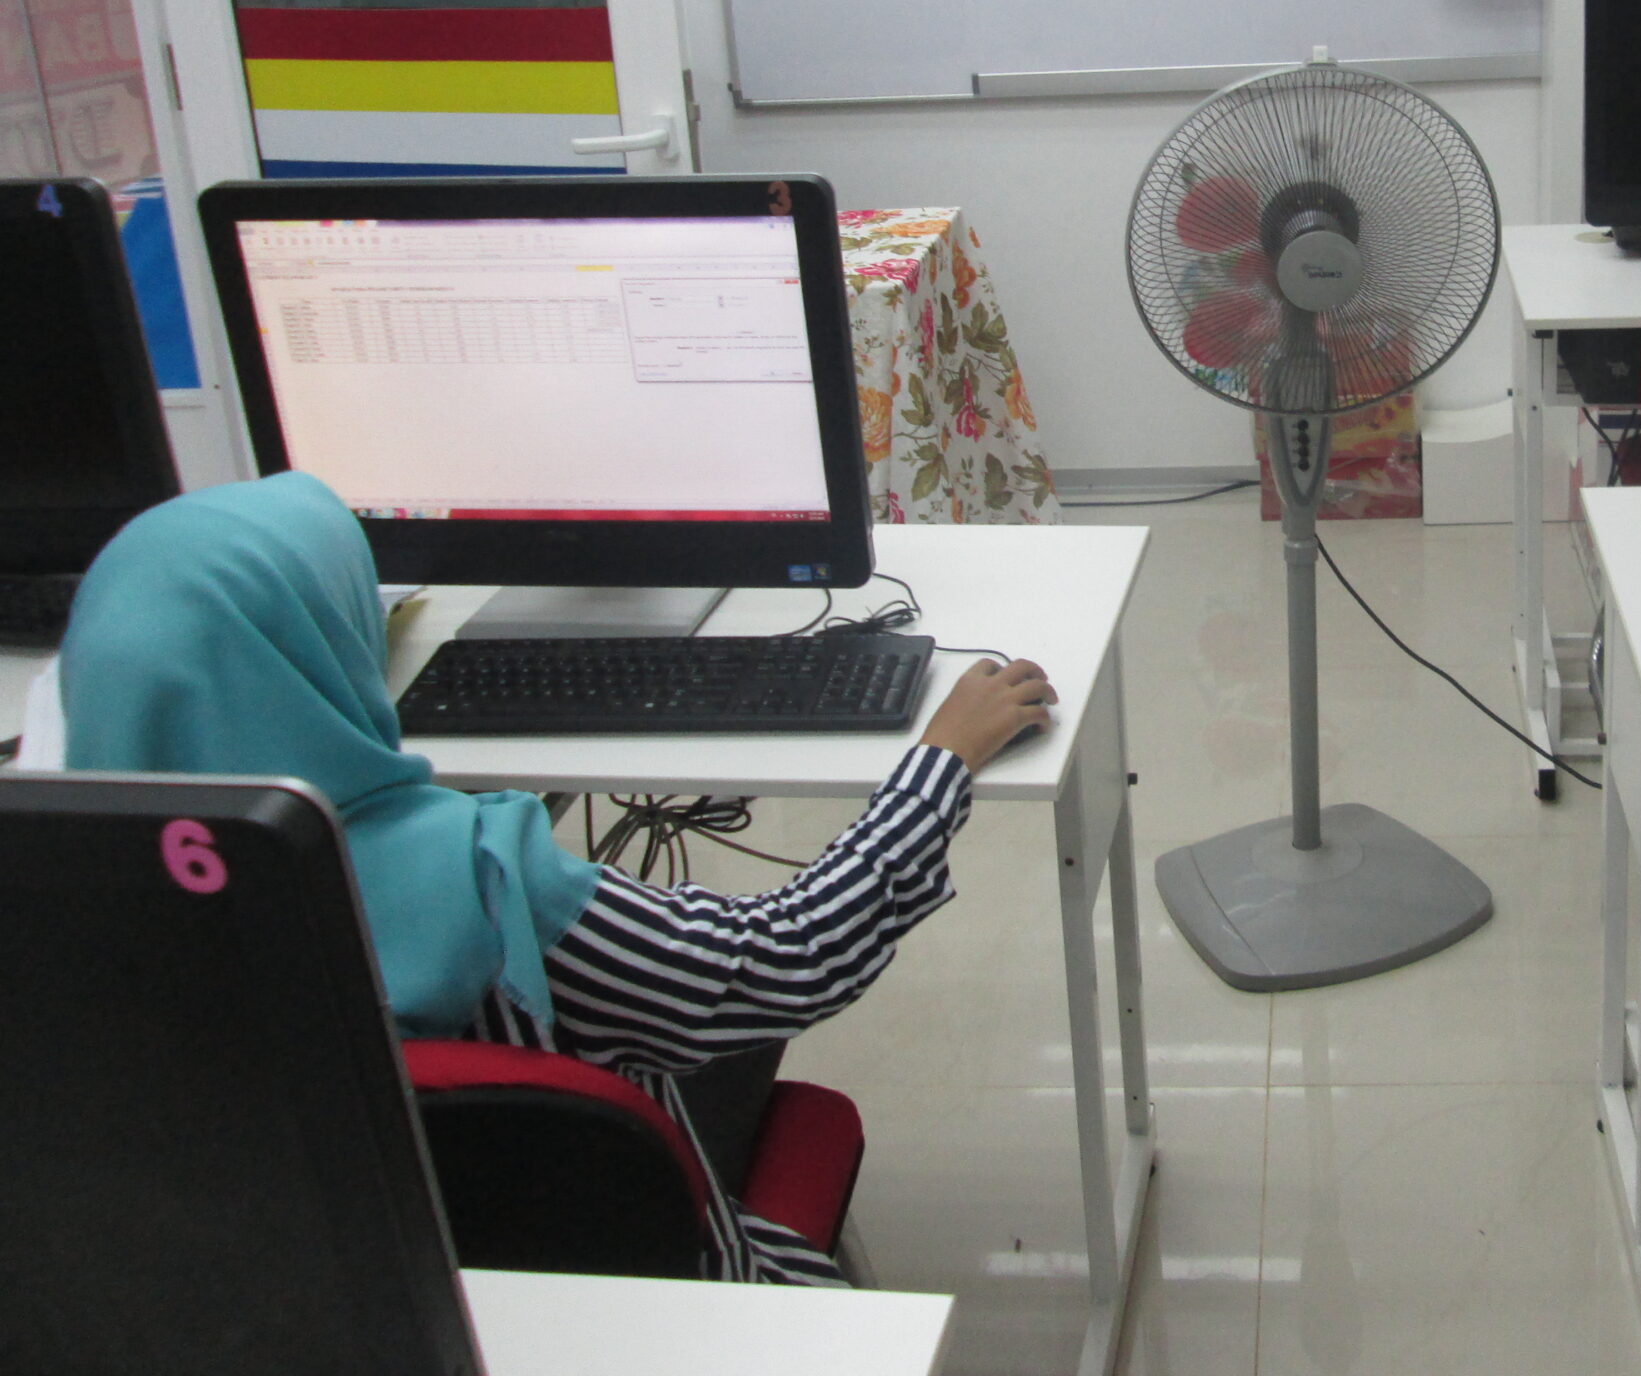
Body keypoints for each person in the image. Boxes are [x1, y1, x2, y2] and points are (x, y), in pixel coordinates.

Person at [54, 470, 1055, 1284]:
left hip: (313, 1301)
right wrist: (939, 763)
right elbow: (786, 956)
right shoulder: (481, 883)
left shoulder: (58, 906)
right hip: (602, 1281)